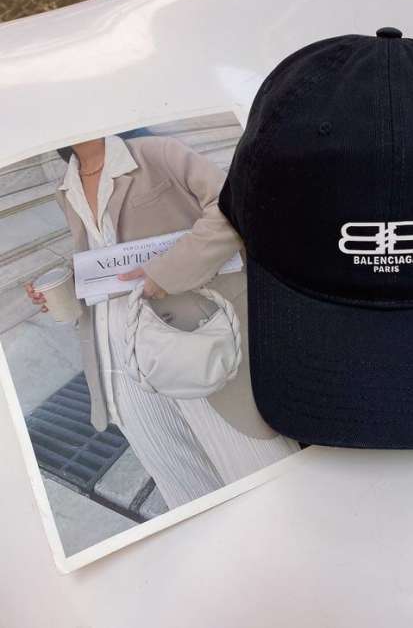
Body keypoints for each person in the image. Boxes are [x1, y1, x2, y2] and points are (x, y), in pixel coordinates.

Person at [26, 133, 300, 510]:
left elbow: (236, 204)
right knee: (188, 494)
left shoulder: (155, 153)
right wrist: (70, 290)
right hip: (122, 368)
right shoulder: (67, 188)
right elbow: (108, 259)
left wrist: (168, 271)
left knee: (262, 477)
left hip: (191, 339)